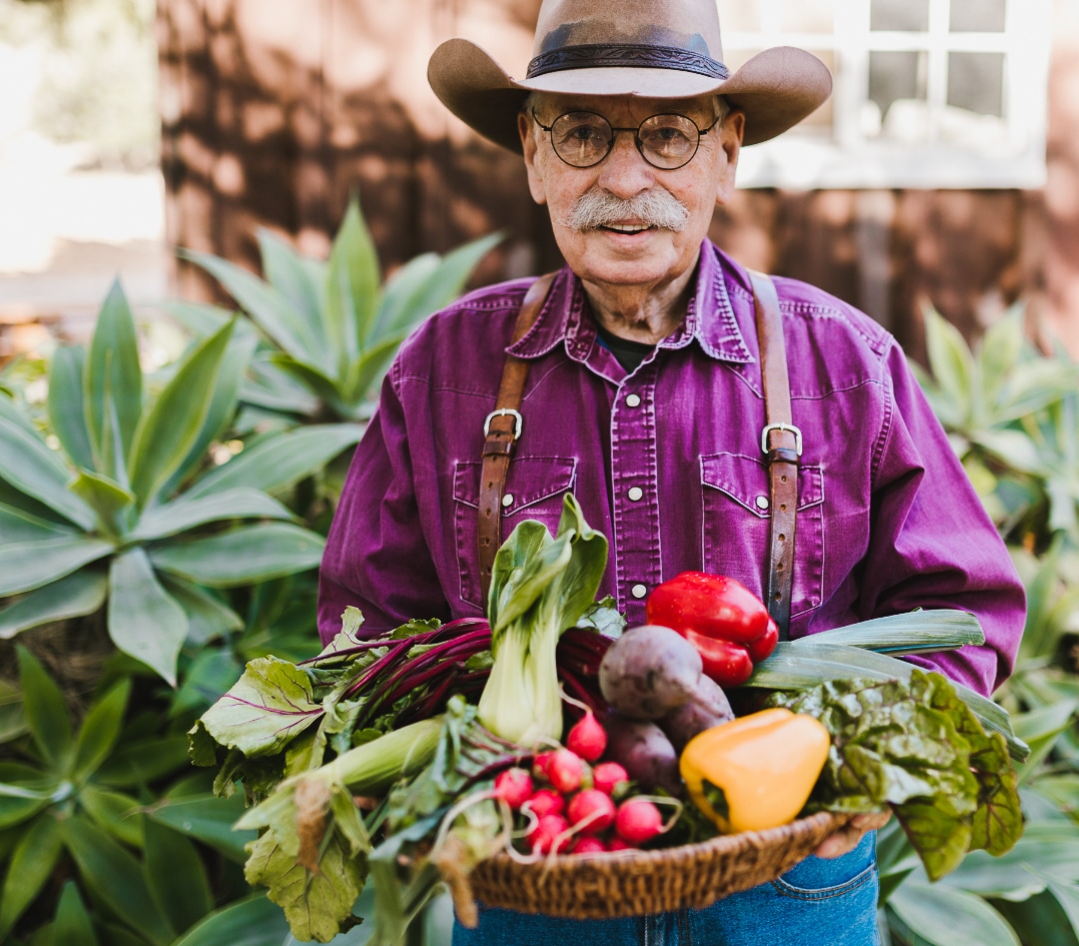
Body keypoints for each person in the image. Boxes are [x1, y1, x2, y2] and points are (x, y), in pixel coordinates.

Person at [317, 0, 1026, 941]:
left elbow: (967, 611)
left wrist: (855, 781)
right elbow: (364, 638)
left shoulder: (845, 365)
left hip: (786, 891)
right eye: (579, 135)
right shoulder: (443, 370)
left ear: (726, 153)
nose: (622, 178)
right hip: (538, 882)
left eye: (665, 135)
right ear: (531, 157)